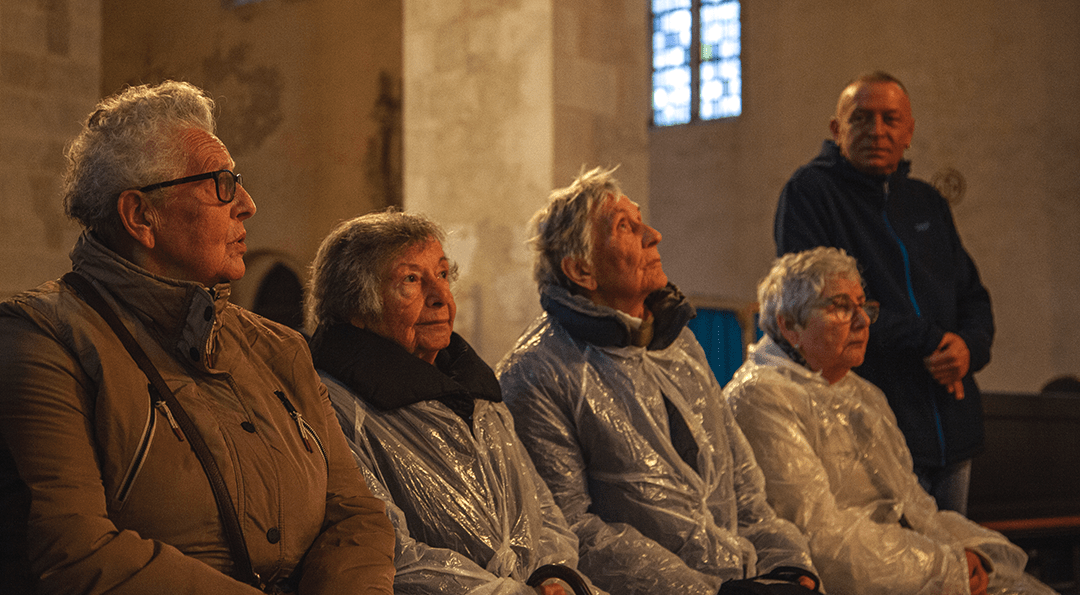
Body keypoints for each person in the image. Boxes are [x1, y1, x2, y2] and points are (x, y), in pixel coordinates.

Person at [0, 81, 395, 594]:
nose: (247, 204)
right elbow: (76, 553)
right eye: (221, 185)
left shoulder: (278, 348)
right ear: (142, 215)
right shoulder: (43, 338)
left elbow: (356, 514)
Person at [497, 167, 820, 595]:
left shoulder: (678, 344)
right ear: (582, 270)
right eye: (626, 227)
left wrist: (788, 564)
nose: (654, 235)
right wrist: (709, 592)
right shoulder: (536, 372)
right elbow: (571, 529)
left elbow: (741, 481)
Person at [723, 247, 1055, 595]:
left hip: (907, 565)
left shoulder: (864, 394)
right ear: (789, 325)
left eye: (864, 306)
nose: (863, 321)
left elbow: (914, 505)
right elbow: (815, 539)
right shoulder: (761, 397)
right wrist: (948, 568)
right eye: (839, 307)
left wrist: (972, 555)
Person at [306, 210, 600, 595]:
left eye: (443, 275)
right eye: (410, 280)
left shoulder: (477, 394)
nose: (441, 297)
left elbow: (543, 512)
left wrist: (555, 578)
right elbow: (385, 553)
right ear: (357, 308)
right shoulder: (335, 406)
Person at [774, 71, 994, 514]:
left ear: (909, 131)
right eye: (861, 119)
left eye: (891, 119)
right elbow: (821, 305)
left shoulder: (927, 202)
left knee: (953, 567)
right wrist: (931, 340)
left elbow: (972, 297)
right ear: (837, 130)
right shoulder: (810, 194)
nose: (877, 131)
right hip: (872, 427)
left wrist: (968, 348)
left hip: (952, 429)